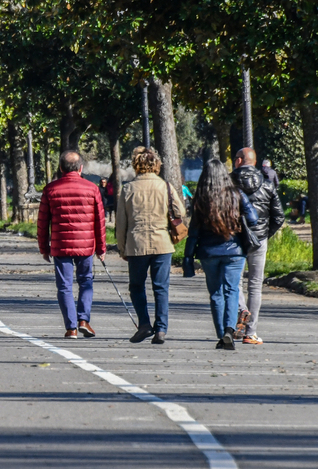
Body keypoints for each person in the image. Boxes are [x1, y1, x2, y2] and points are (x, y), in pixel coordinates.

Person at [183, 159, 258, 350]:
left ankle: (221, 334)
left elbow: (193, 232)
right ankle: (229, 329)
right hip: (234, 251)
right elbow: (253, 219)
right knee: (232, 290)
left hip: (208, 253)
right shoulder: (236, 194)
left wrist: (188, 257)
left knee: (215, 293)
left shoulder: (201, 198)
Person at [115, 147, 184, 344]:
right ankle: (161, 329)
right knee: (161, 287)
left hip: (137, 244)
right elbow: (180, 212)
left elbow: (121, 223)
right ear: (156, 165)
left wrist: (122, 248)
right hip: (162, 243)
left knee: (137, 286)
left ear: (136, 165)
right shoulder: (166, 186)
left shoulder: (128, 189)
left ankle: (144, 324)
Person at [37, 151, 106, 339]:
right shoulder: (92, 189)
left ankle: (71, 328)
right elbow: (100, 221)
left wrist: (44, 247)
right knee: (86, 281)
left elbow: (43, 221)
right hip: (85, 245)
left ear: (61, 168)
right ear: (81, 168)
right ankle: (84, 319)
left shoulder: (51, 189)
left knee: (64, 286)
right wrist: (101, 248)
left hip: (60, 246)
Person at [230, 147, 284, 345]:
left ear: (238, 161)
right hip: (259, 240)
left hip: (234, 239)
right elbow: (279, 216)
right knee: (255, 284)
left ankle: (240, 311)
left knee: (234, 282)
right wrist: (263, 235)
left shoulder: (228, 182)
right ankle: (250, 332)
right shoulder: (268, 185)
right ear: (254, 162)